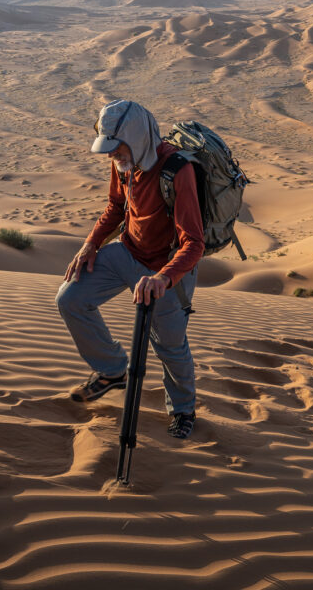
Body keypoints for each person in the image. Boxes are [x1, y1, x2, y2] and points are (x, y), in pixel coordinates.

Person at [56, 100, 205, 439]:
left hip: (166, 268)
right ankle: (112, 371)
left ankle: (183, 410)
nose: (111, 156)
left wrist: (163, 278)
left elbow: (193, 243)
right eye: (107, 149)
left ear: (136, 138)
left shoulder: (177, 170)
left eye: (115, 147)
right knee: (71, 298)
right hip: (126, 252)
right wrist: (91, 243)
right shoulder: (123, 163)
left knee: (169, 344)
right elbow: (116, 206)